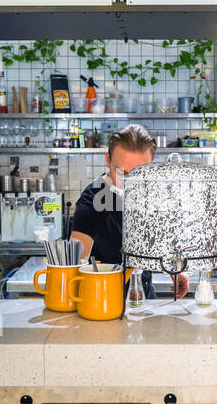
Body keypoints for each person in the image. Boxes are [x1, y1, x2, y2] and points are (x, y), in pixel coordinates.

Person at [70, 122, 188, 297]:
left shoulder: (149, 194)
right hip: (104, 299)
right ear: (108, 160)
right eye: (123, 173)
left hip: (143, 292)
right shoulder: (93, 202)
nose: (131, 183)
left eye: (139, 173)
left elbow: (158, 239)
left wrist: (175, 270)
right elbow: (74, 265)